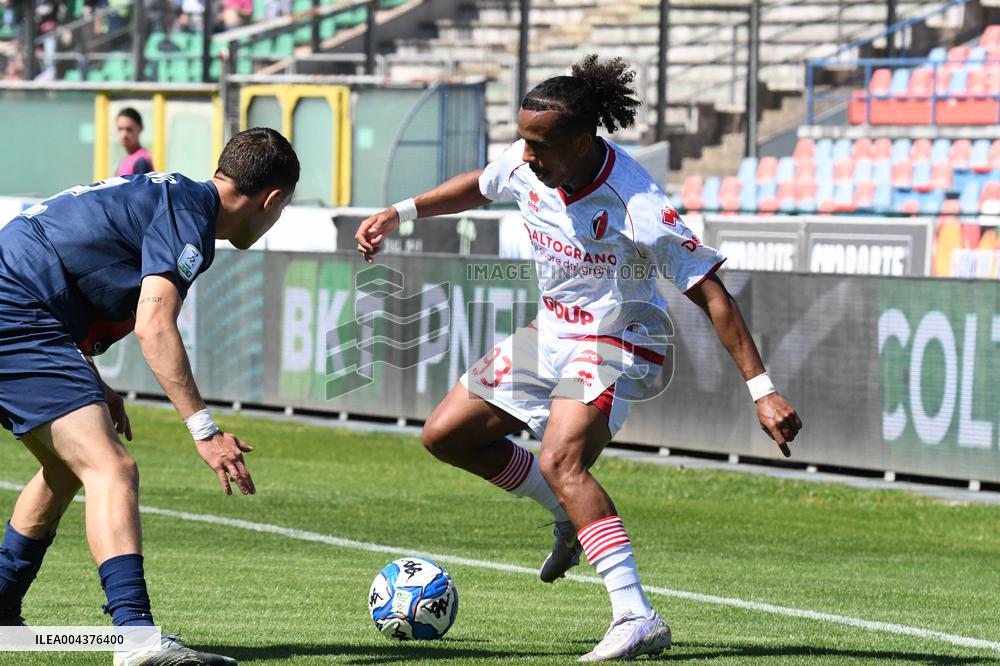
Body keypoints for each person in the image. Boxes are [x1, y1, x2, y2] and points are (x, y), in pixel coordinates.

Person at [355, 55, 802, 662]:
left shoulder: (635, 198)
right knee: (447, 435)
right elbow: (480, 183)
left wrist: (763, 389)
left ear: (583, 139)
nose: (525, 154)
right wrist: (401, 212)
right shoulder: (526, 160)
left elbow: (710, 291)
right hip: (552, 330)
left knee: (562, 459)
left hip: (622, 333)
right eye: (522, 139)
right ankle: (565, 513)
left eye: (538, 143)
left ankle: (636, 616)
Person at [0, 127, 299, 665]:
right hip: (18, 313)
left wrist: (91, 377)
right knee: (111, 469)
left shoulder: (172, 195)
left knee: (68, 467)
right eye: (280, 211)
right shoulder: (189, 218)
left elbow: (68, 258)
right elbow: (154, 326)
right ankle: (135, 640)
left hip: (23, 309)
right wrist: (205, 432)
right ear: (270, 199)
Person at [116, 108, 155, 177]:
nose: (124, 134)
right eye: (120, 129)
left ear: (141, 128)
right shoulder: (125, 159)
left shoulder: (141, 161)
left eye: (129, 129)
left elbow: (143, 187)